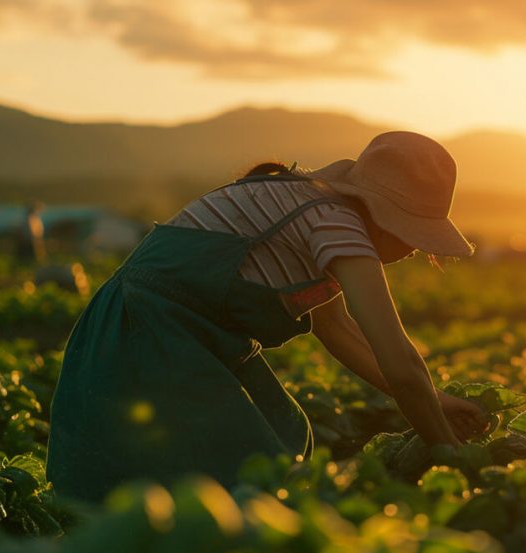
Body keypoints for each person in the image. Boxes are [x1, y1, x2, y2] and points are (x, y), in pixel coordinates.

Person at [46, 131, 488, 501]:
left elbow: (338, 330)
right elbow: (399, 361)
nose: (412, 250)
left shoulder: (315, 205)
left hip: (182, 332)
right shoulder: (334, 222)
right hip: (149, 330)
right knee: (243, 478)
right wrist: (451, 454)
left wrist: (437, 400)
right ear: (381, 216)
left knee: (284, 434)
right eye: (412, 235)